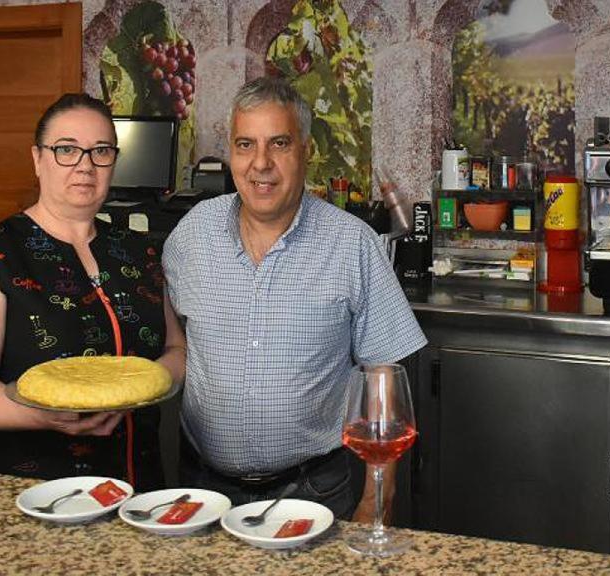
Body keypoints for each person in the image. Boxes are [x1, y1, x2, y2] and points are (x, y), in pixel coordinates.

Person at [161, 77, 427, 521]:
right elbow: (176, 347)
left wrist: (376, 499)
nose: (260, 163)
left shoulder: (351, 243)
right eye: (245, 145)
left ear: (306, 151)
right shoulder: (191, 234)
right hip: (203, 492)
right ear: (230, 152)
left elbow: (384, 380)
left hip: (316, 494)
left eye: (278, 144)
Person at [0, 93, 185, 489]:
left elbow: (176, 350)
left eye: (100, 151)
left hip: (137, 491)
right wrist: (44, 415)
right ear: (38, 159)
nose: (85, 166)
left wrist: (142, 385)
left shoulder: (140, 251)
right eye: (66, 150)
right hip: (27, 492)